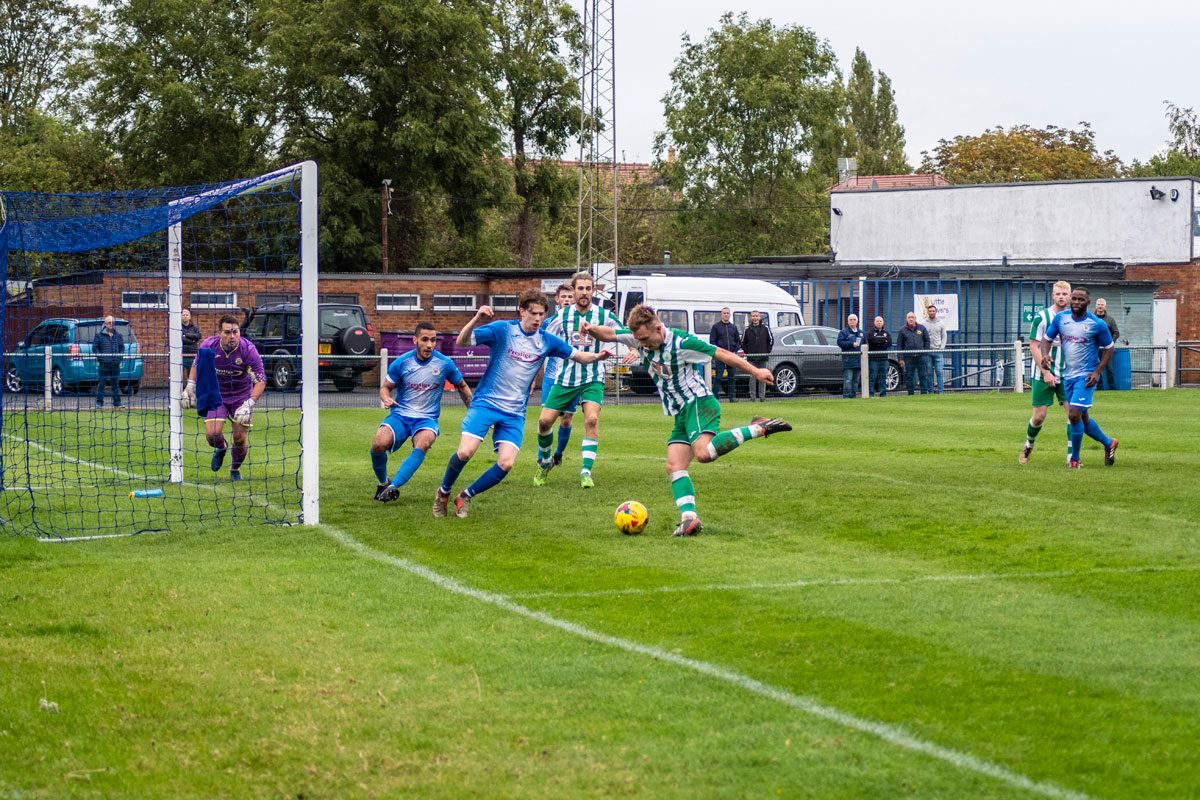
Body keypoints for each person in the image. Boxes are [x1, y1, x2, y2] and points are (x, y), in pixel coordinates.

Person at [583, 304, 792, 537]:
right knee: (674, 466)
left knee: (703, 454)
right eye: (637, 339)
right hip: (681, 411)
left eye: (644, 339)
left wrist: (755, 371)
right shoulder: (637, 338)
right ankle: (689, 519)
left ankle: (757, 428)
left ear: (658, 329)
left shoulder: (682, 343)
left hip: (698, 403)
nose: (641, 344)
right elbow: (610, 334)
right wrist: (590, 329)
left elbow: (722, 353)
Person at [433, 290, 612, 519]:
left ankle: (465, 496)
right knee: (466, 452)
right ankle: (443, 493)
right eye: (533, 313)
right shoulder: (502, 330)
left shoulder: (546, 340)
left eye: (541, 314)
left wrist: (597, 357)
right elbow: (462, 340)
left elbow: (578, 355)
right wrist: (477, 318)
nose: (538, 319)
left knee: (506, 463)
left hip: (514, 412)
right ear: (522, 311)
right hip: (487, 403)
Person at [534, 272, 625, 489]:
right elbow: (542, 339)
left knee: (591, 419)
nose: (584, 292)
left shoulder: (603, 315)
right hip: (565, 378)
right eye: (580, 288)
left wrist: (632, 349)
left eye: (588, 288)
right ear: (574, 291)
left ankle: (586, 471)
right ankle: (546, 461)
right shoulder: (562, 316)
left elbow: (625, 332)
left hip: (593, 377)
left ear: (593, 291)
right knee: (544, 422)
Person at [371, 322, 473, 502]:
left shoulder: (444, 363)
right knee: (378, 443)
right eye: (425, 340)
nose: (430, 345)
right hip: (401, 415)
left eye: (433, 340)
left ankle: (394, 486)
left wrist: (474, 414)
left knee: (424, 442)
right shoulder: (402, 362)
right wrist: (386, 397)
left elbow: (462, 385)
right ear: (415, 340)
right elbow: (385, 387)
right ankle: (383, 483)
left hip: (426, 419)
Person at [1041, 287, 1119, 468]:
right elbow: (1046, 339)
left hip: (1086, 376)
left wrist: (1097, 371)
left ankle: (1074, 460)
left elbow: (1109, 348)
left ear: (1088, 303)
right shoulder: (1061, 318)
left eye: (1080, 300)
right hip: (1068, 375)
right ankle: (1109, 443)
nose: (1076, 302)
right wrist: (1045, 354)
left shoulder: (1097, 324)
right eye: (1074, 299)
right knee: (1083, 419)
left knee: (1074, 414)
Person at [182, 314, 266, 481]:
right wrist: (190, 387)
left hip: (241, 396)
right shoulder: (208, 346)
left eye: (235, 332)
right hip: (217, 394)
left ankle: (235, 469)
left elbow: (261, 381)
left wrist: (249, 404)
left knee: (240, 438)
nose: (232, 336)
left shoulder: (248, 350)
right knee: (212, 434)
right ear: (220, 333)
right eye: (227, 332)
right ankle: (221, 448)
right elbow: (196, 366)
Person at [1020, 280, 1071, 465]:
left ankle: (1071, 457)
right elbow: (1034, 346)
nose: (1061, 297)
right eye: (1058, 294)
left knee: (1073, 414)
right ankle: (1028, 445)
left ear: (1070, 296)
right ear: (1052, 295)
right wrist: (1045, 372)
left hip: (1068, 373)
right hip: (1043, 372)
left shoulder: (1075, 318)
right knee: (1039, 415)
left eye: (1065, 294)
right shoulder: (1041, 317)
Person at [535, 284, 577, 471]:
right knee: (545, 420)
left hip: (572, 378)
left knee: (566, 419)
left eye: (570, 296)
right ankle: (542, 459)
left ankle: (558, 454)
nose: (567, 299)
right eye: (564, 297)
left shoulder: (578, 322)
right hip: (552, 377)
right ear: (557, 300)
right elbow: (538, 349)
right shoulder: (547, 323)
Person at [708, 307, 741, 402]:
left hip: (731, 356)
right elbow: (712, 341)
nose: (726, 315)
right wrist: (718, 352)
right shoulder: (716, 327)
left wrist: (735, 351)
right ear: (721, 314)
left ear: (730, 314)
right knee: (718, 377)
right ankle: (715, 398)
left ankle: (732, 398)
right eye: (724, 313)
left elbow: (738, 341)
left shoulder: (733, 327)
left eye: (727, 313)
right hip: (720, 356)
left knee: (732, 377)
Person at [92, 315, 125, 408]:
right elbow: (95, 348)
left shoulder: (118, 336)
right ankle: (99, 403)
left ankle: (117, 403)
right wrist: (101, 358)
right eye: (109, 322)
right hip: (104, 364)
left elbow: (122, 348)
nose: (111, 324)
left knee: (115, 384)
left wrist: (119, 358)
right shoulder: (98, 336)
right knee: (101, 383)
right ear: (105, 324)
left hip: (115, 364)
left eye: (112, 322)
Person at [741, 310, 773, 402]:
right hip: (751, 358)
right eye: (753, 316)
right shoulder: (747, 329)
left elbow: (770, 340)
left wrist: (767, 351)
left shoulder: (765, 328)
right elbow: (742, 342)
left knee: (763, 378)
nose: (755, 318)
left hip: (763, 357)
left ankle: (762, 397)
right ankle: (753, 398)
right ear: (751, 317)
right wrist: (748, 352)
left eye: (756, 316)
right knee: (752, 378)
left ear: (759, 317)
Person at [895, 311, 931, 395]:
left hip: (921, 357)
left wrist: (925, 352)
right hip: (908, 357)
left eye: (912, 317)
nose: (911, 319)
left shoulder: (922, 328)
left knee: (923, 375)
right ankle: (911, 393)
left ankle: (924, 393)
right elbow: (899, 345)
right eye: (909, 317)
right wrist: (900, 358)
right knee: (909, 376)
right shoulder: (902, 330)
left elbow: (927, 341)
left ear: (915, 318)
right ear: (906, 319)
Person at [837, 313, 865, 398]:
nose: (852, 321)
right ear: (848, 321)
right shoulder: (844, 332)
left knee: (856, 380)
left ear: (857, 321)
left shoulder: (861, 333)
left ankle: (853, 396)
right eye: (851, 319)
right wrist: (851, 344)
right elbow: (840, 342)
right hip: (848, 360)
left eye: (854, 319)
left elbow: (865, 344)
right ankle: (846, 396)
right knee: (848, 380)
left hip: (858, 361)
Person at [1094, 298, 1120, 389]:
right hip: (1094, 349)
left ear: (1105, 306)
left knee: (1109, 369)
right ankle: (1099, 389)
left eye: (1102, 305)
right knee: (1096, 368)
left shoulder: (1110, 320)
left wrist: (1111, 343)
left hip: (1106, 349)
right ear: (1095, 306)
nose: (1100, 306)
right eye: (1098, 304)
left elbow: (1116, 332)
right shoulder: (1090, 318)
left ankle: (1112, 389)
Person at [924, 304, 947, 393]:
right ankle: (930, 392)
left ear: (936, 312)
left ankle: (941, 392)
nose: (932, 312)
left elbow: (944, 336)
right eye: (930, 311)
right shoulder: (924, 324)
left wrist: (942, 348)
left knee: (939, 372)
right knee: (929, 373)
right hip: (928, 352)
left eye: (933, 311)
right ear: (928, 312)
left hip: (938, 352)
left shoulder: (941, 323)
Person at [866, 316, 892, 397]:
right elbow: (872, 340)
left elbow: (889, 343)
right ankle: (870, 394)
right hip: (873, 359)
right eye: (877, 321)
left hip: (884, 359)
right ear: (874, 322)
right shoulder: (870, 332)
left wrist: (878, 341)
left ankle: (883, 394)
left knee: (883, 377)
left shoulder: (887, 333)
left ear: (883, 322)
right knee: (872, 377)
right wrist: (883, 340)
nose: (879, 322)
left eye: (880, 321)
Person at [180, 308, 202, 378]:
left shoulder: (195, 327)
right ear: (180, 316)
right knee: (178, 377)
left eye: (187, 315)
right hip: (181, 355)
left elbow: (198, 336)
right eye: (183, 315)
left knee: (192, 377)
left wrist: (186, 335)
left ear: (190, 316)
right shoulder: (178, 327)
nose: (185, 316)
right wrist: (192, 340)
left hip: (193, 355)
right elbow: (181, 339)